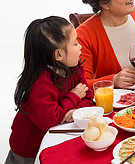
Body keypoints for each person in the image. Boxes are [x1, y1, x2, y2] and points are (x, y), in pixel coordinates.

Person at [6, 16, 93, 163]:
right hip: (29, 150)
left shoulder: (74, 67)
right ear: (58, 54)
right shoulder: (40, 84)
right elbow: (49, 120)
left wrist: (76, 111)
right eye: (75, 43)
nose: (80, 47)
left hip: (58, 138)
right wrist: (74, 97)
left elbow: (88, 94)